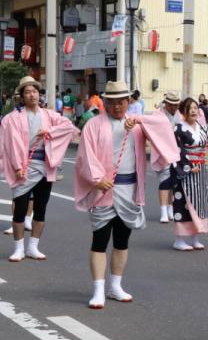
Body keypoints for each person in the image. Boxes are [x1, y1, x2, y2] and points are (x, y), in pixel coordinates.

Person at [73, 81, 179, 309]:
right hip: (104, 188)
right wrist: (96, 179)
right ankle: (99, 289)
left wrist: (141, 121)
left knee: (122, 240)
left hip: (128, 188)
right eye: (112, 102)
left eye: (121, 102)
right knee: (100, 240)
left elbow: (163, 127)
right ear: (105, 103)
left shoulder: (137, 125)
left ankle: (115, 286)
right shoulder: (93, 124)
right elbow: (84, 155)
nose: (117, 107)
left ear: (128, 102)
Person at [0, 76, 78, 262]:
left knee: (41, 208)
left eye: (34, 91)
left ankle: (33, 246)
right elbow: (10, 144)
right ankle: (18, 248)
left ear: (39, 95)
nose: (32, 95)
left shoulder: (49, 115)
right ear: (22, 96)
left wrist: (50, 132)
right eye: (27, 92)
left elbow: (69, 128)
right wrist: (17, 166)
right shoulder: (12, 119)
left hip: (45, 165)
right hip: (23, 166)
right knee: (20, 209)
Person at [169, 97, 208, 251]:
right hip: (184, 172)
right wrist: (187, 166)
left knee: (199, 202)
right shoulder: (178, 129)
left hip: (200, 170)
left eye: (196, 108)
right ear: (183, 112)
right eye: (190, 108)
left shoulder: (200, 128)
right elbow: (175, 150)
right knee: (183, 203)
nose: (194, 110)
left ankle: (195, 237)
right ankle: (179, 239)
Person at [154, 92, 182, 223]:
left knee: (172, 182)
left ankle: (170, 208)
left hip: (175, 152)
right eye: (172, 105)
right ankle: (163, 211)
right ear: (167, 104)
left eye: (176, 105)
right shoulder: (158, 115)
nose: (175, 108)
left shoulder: (178, 115)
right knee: (164, 182)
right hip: (162, 152)